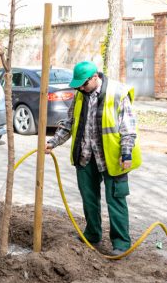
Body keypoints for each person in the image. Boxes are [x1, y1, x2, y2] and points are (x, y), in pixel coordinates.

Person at [45, 60, 141, 257]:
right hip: (86, 156)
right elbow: (69, 124)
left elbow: (128, 129)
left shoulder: (117, 93)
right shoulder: (80, 95)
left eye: (83, 84)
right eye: (78, 85)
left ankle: (121, 243)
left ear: (95, 77)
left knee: (115, 200)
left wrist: (126, 153)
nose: (80, 88)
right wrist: (53, 142)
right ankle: (92, 234)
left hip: (112, 158)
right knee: (89, 198)